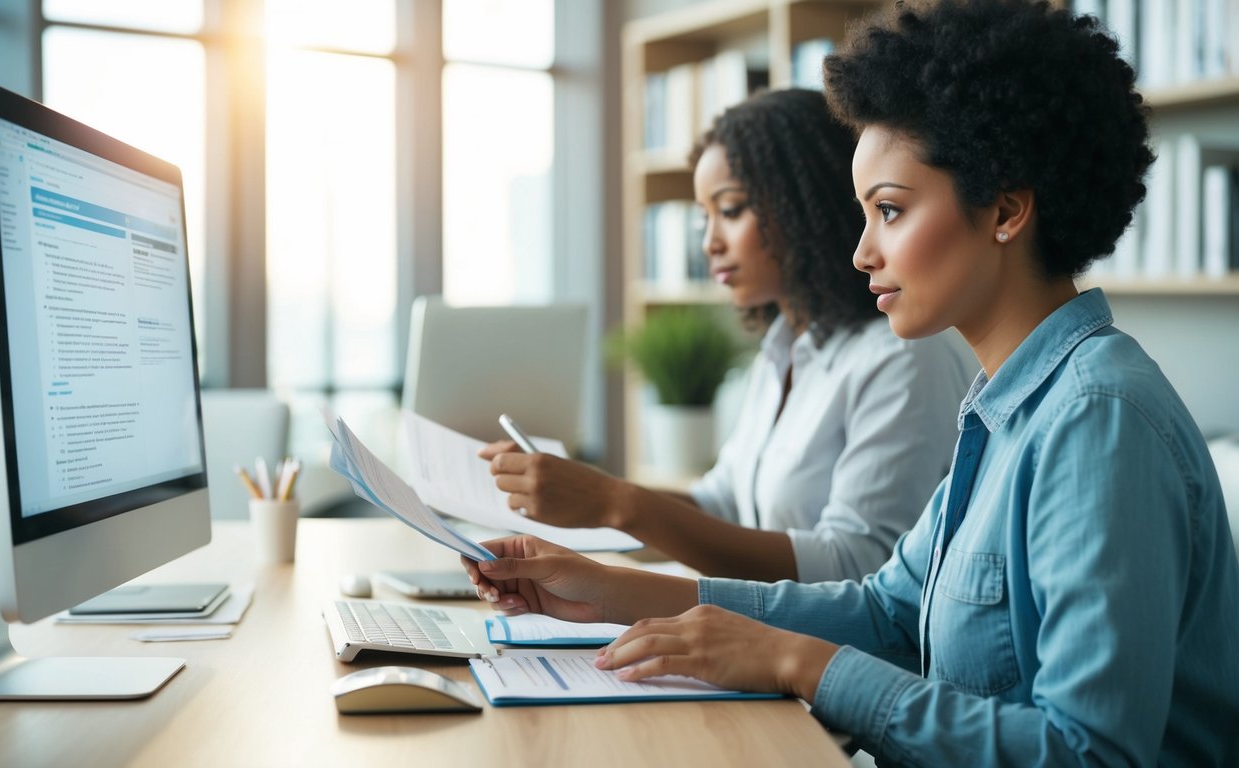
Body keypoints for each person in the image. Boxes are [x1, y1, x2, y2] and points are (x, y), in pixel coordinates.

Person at [463, 1, 1239, 763]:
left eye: (889, 211)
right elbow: (885, 611)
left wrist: (796, 662)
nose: (862, 252)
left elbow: (1086, 754)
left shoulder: (1096, 419)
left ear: (1005, 210)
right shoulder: (1006, 407)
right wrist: (609, 589)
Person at [482, 88, 971, 582]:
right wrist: (581, 494)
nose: (708, 243)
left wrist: (614, 504)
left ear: (804, 204)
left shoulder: (903, 357)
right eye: (703, 217)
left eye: (731, 210)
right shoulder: (783, 350)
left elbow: (857, 566)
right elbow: (721, 504)